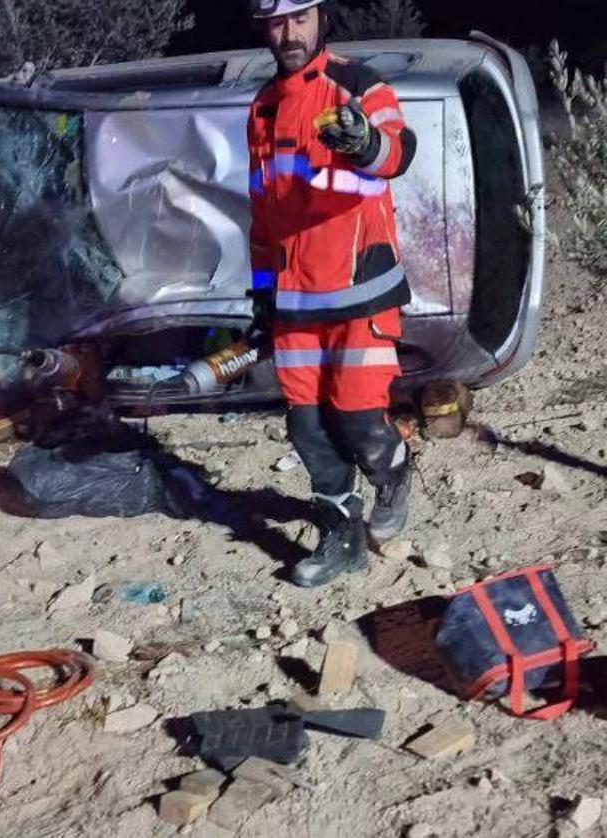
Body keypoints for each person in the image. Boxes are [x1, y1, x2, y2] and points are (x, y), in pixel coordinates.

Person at [245, 0, 417, 587]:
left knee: (361, 420)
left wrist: (365, 144)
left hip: (360, 289)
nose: (288, 32)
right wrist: (263, 293)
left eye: (299, 17)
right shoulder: (263, 107)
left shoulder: (359, 85)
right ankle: (341, 541)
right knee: (308, 429)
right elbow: (263, 213)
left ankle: (393, 474)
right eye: (276, 21)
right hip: (295, 302)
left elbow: (397, 151)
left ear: (321, 18)